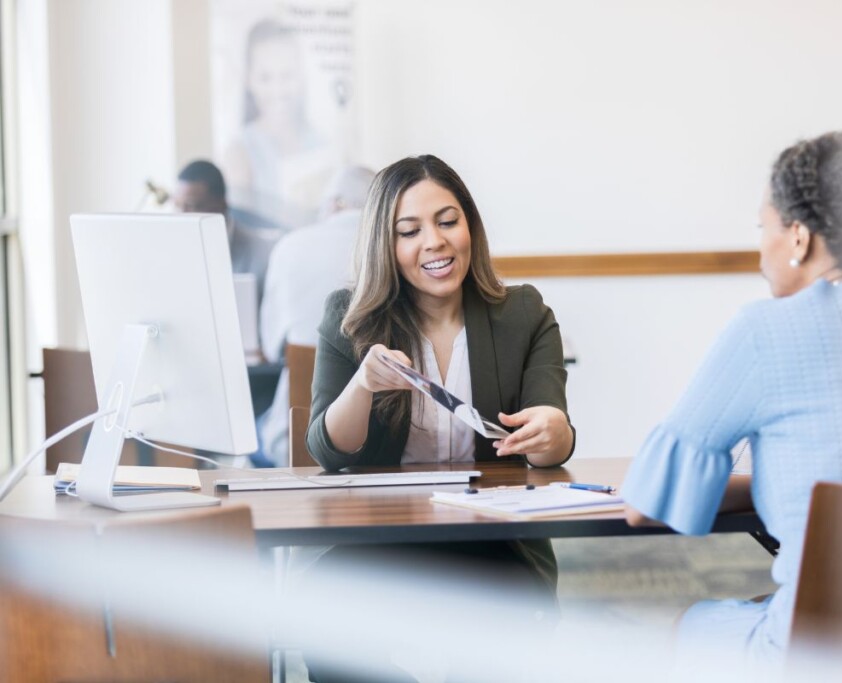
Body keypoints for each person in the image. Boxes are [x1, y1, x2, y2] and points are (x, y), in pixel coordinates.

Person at [621, 130, 842, 670]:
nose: (760, 247)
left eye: (762, 227)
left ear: (798, 237)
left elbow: (644, 504)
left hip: (811, 650)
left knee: (678, 624)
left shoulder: (765, 331)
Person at [304, 155, 575, 682]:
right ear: (387, 244)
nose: (434, 241)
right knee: (326, 621)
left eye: (448, 221)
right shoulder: (347, 317)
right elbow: (328, 450)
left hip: (493, 543)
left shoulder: (523, 314)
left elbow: (552, 441)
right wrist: (362, 385)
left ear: (469, 225)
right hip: (384, 540)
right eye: (410, 231)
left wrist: (553, 432)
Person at [254, 166, 375, 466]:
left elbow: (270, 348)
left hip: (292, 436)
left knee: (253, 431)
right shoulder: (389, 245)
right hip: (375, 440)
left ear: (334, 202)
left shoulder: (290, 246)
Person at [222, 18, 331, 228]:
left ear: (301, 76)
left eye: (287, 75)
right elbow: (243, 230)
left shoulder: (320, 140)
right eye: (265, 77)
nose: (278, 89)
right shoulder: (240, 151)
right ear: (248, 80)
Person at [173, 159, 279, 302]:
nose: (181, 216)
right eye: (178, 206)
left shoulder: (263, 256)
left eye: (190, 206)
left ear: (220, 206)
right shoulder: (175, 252)